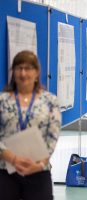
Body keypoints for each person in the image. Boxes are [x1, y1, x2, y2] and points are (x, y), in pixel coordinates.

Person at [0, 51, 61, 200]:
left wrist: (39, 164)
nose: (23, 73)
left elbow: (52, 137)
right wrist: (13, 158)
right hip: (5, 169)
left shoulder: (50, 101)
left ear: (37, 72)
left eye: (28, 68)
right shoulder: (3, 100)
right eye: (19, 68)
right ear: (13, 72)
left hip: (39, 170)